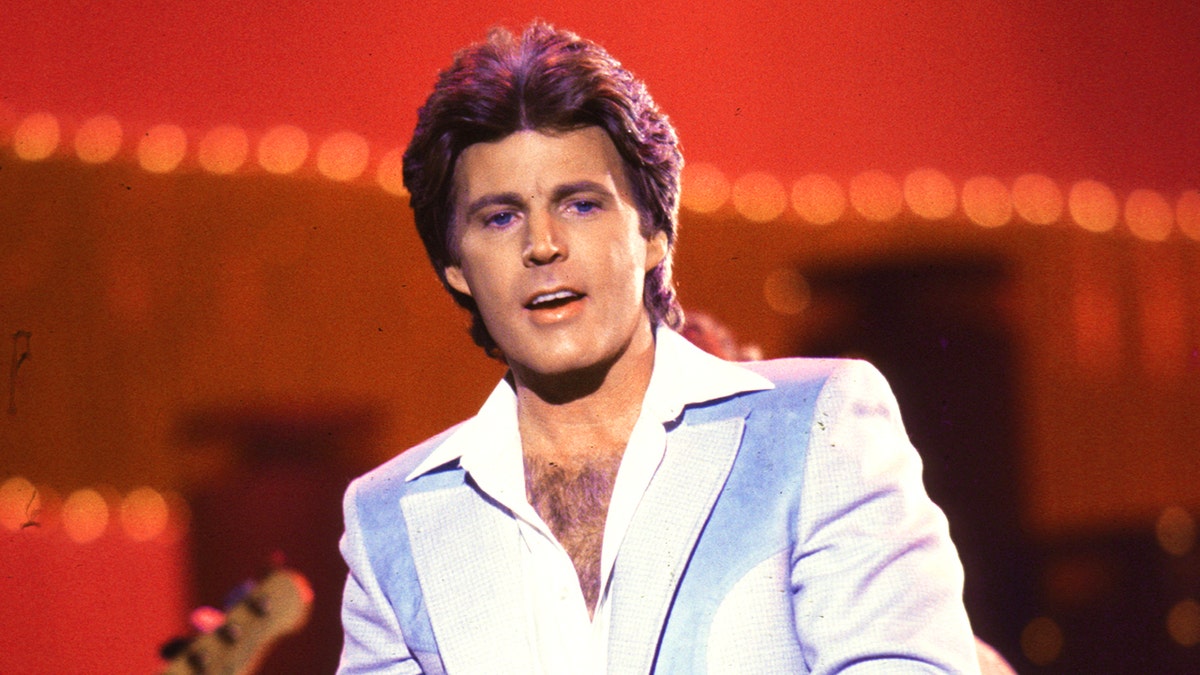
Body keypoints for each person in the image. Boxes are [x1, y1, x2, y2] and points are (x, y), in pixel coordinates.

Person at [338, 22, 980, 674]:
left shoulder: (815, 424)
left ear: (653, 234)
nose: (542, 245)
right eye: (500, 217)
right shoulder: (388, 520)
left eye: (581, 204)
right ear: (455, 266)